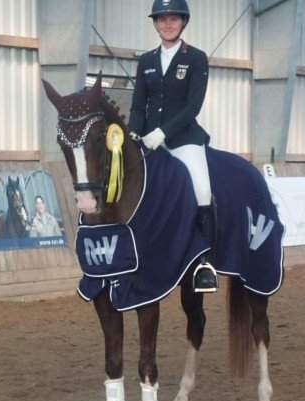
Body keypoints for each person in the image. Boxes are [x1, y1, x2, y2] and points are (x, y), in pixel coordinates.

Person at [128, 0, 218, 293]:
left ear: (183, 22)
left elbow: (192, 107)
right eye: (162, 19)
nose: (167, 24)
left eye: (173, 19)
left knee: (202, 190)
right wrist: (132, 133)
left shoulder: (196, 58)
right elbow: (139, 105)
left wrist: (162, 133)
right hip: (148, 143)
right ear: (155, 23)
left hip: (183, 141)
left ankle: (205, 262)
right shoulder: (146, 61)